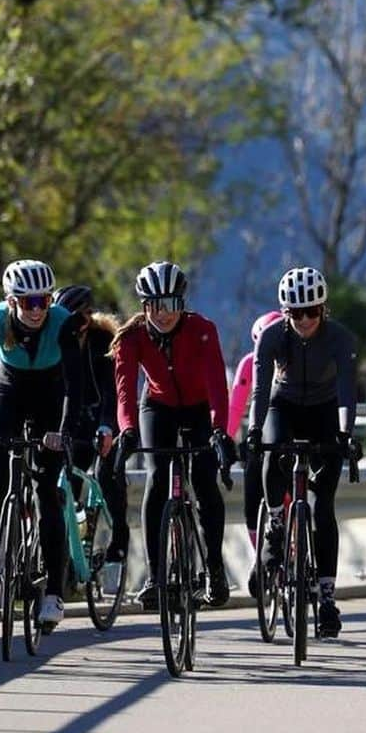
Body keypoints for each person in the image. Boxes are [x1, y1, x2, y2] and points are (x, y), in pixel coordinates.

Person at [0, 259, 83, 628]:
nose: (36, 310)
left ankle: (53, 595)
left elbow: (76, 383)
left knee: (47, 492)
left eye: (43, 301)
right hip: (9, 387)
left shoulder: (63, 321)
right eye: (27, 302)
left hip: (50, 393)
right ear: (12, 301)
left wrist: (63, 430)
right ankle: (4, 521)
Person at [112, 261, 233, 610]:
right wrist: (128, 431)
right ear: (143, 305)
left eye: (171, 305)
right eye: (154, 305)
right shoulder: (131, 337)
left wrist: (219, 431)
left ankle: (213, 568)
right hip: (158, 405)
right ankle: (155, 576)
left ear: (183, 303)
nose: (163, 314)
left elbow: (217, 387)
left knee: (204, 480)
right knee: (156, 476)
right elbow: (124, 393)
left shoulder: (202, 329)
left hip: (199, 408)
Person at [248, 267, 357, 639]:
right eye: (297, 313)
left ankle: (326, 598)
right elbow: (260, 391)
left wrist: (344, 433)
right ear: (285, 313)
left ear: (324, 309)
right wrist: (252, 430)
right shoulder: (272, 336)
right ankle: (276, 525)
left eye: (313, 311)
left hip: (326, 410)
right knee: (271, 452)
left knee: (322, 506)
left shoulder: (340, 338)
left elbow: (346, 390)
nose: (306, 319)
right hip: (285, 406)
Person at [54, 285, 129, 566]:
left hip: (103, 419)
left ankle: (119, 536)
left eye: (81, 318)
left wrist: (108, 427)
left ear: (90, 316)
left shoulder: (103, 340)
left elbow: (112, 391)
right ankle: (72, 550)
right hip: (72, 421)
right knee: (65, 482)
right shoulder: (57, 341)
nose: (76, 325)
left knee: (105, 473)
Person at [227, 309, 281, 596]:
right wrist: (224, 438)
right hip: (260, 438)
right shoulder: (249, 364)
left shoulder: (296, 359)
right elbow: (236, 407)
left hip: (289, 435)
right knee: (252, 499)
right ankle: (260, 555)